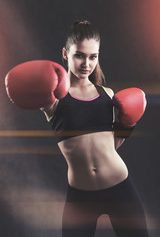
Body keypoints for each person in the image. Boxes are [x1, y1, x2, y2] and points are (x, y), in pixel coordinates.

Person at [5, 20, 149, 237]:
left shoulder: (107, 94)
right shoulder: (53, 98)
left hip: (119, 186)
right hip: (82, 196)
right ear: (65, 53)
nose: (86, 63)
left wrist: (127, 125)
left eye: (93, 56)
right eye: (79, 55)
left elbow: (112, 146)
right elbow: (19, 85)